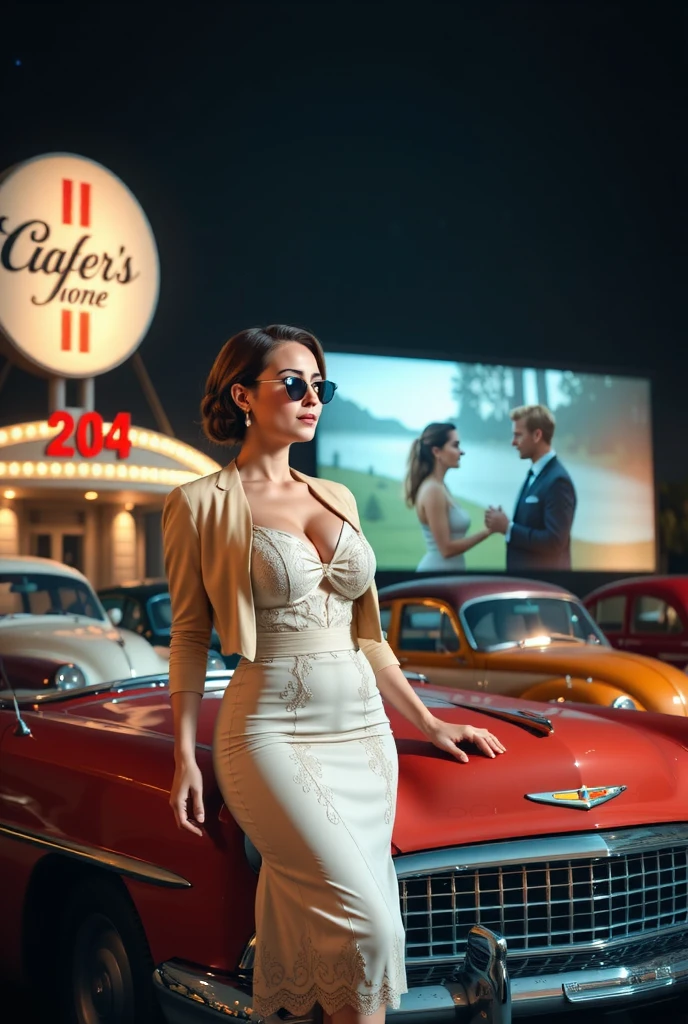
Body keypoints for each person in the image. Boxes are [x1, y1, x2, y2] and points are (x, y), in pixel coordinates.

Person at [163, 325, 506, 1024]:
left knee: (347, 937)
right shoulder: (198, 503)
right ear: (243, 395)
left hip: (364, 734)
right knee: (370, 929)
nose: (312, 396)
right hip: (270, 736)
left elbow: (369, 636)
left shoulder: (339, 496)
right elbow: (191, 635)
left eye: (321, 385)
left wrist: (430, 721)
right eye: (293, 382)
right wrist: (181, 755)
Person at [485, 403, 576, 571]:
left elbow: (554, 542)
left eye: (518, 435)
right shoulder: (535, 473)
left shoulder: (558, 481)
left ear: (537, 435)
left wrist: (508, 528)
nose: (513, 442)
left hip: (544, 587)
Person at [405, 422, 494, 571]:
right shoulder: (433, 490)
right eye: (456, 445)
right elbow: (446, 549)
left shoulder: (441, 486)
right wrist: (488, 531)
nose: (462, 452)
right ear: (437, 451)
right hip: (436, 576)